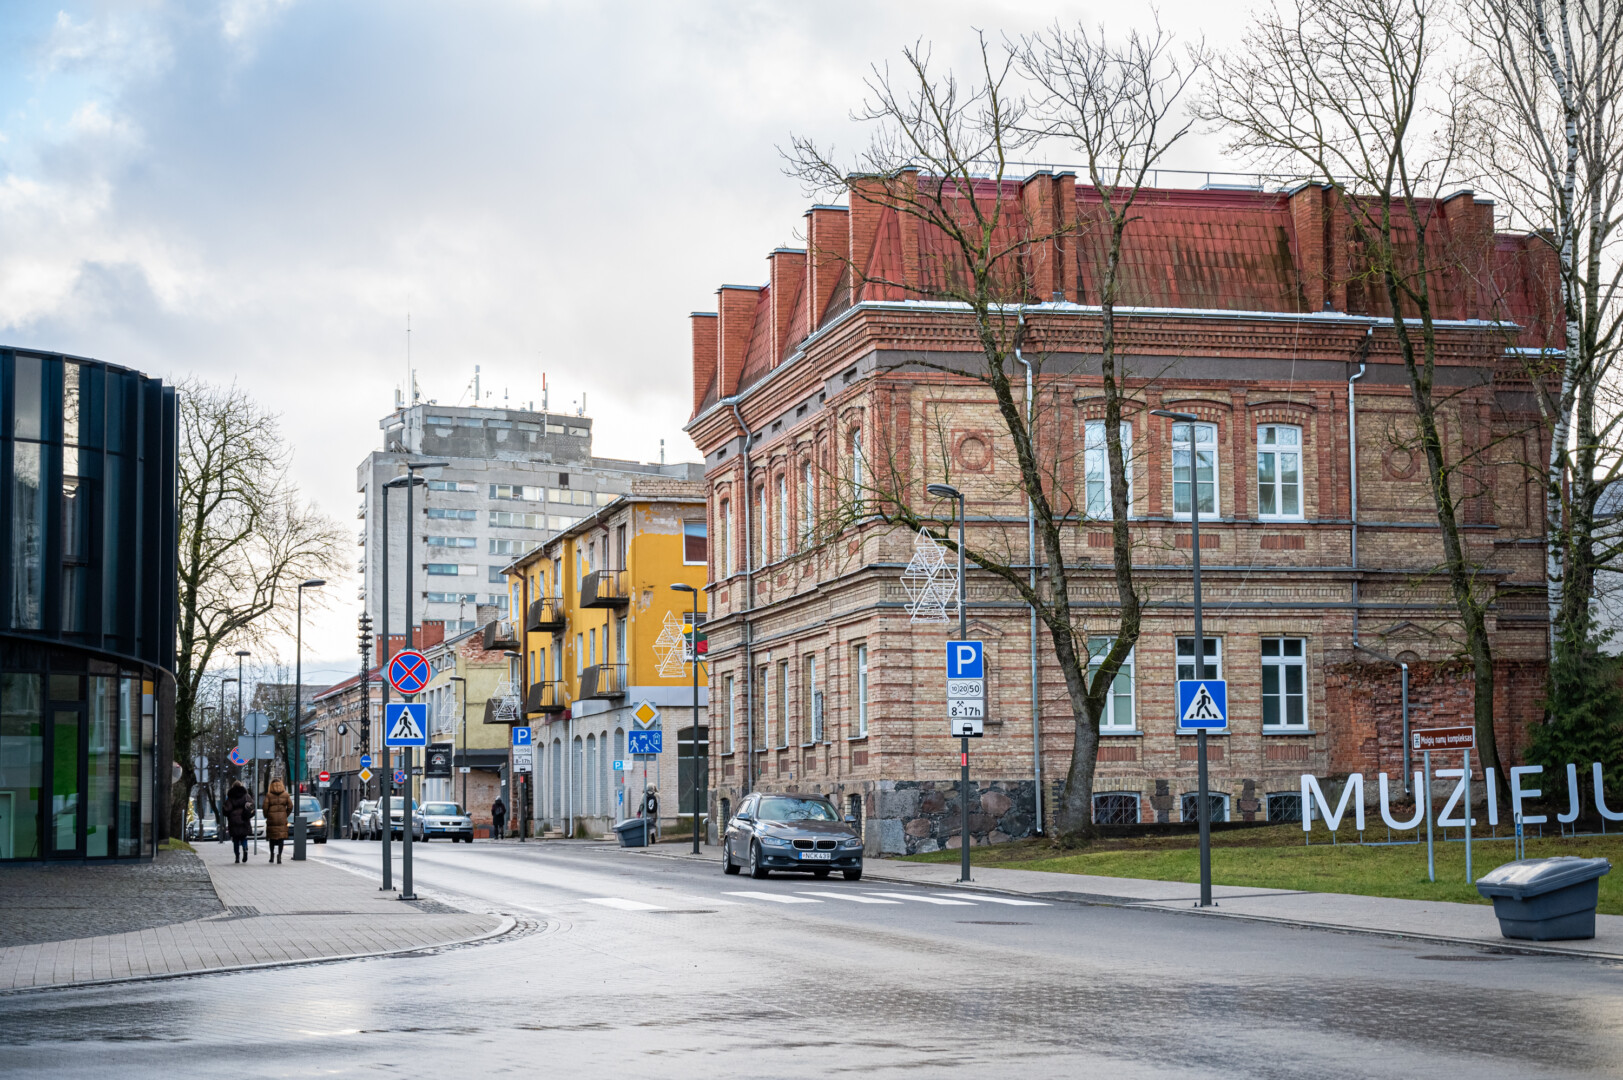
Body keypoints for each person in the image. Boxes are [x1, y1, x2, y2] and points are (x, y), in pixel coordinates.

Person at [264, 778, 293, 864]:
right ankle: (279, 856)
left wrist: (267, 815)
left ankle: (272, 856)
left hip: (272, 819)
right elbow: (290, 806)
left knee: (272, 838)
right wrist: (285, 814)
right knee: (281, 839)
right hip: (281, 819)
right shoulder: (286, 794)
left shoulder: (269, 795)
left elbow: (265, 807)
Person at [224, 781, 254, 863]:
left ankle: (237, 857)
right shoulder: (246, 796)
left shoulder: (230, 797)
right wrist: (248, 816)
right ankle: (245, 848)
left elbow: (227, 809)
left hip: (233, 821)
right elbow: (251, 807)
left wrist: (229, 814)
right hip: (244, 819)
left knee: (235, 839)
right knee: (244, 837)